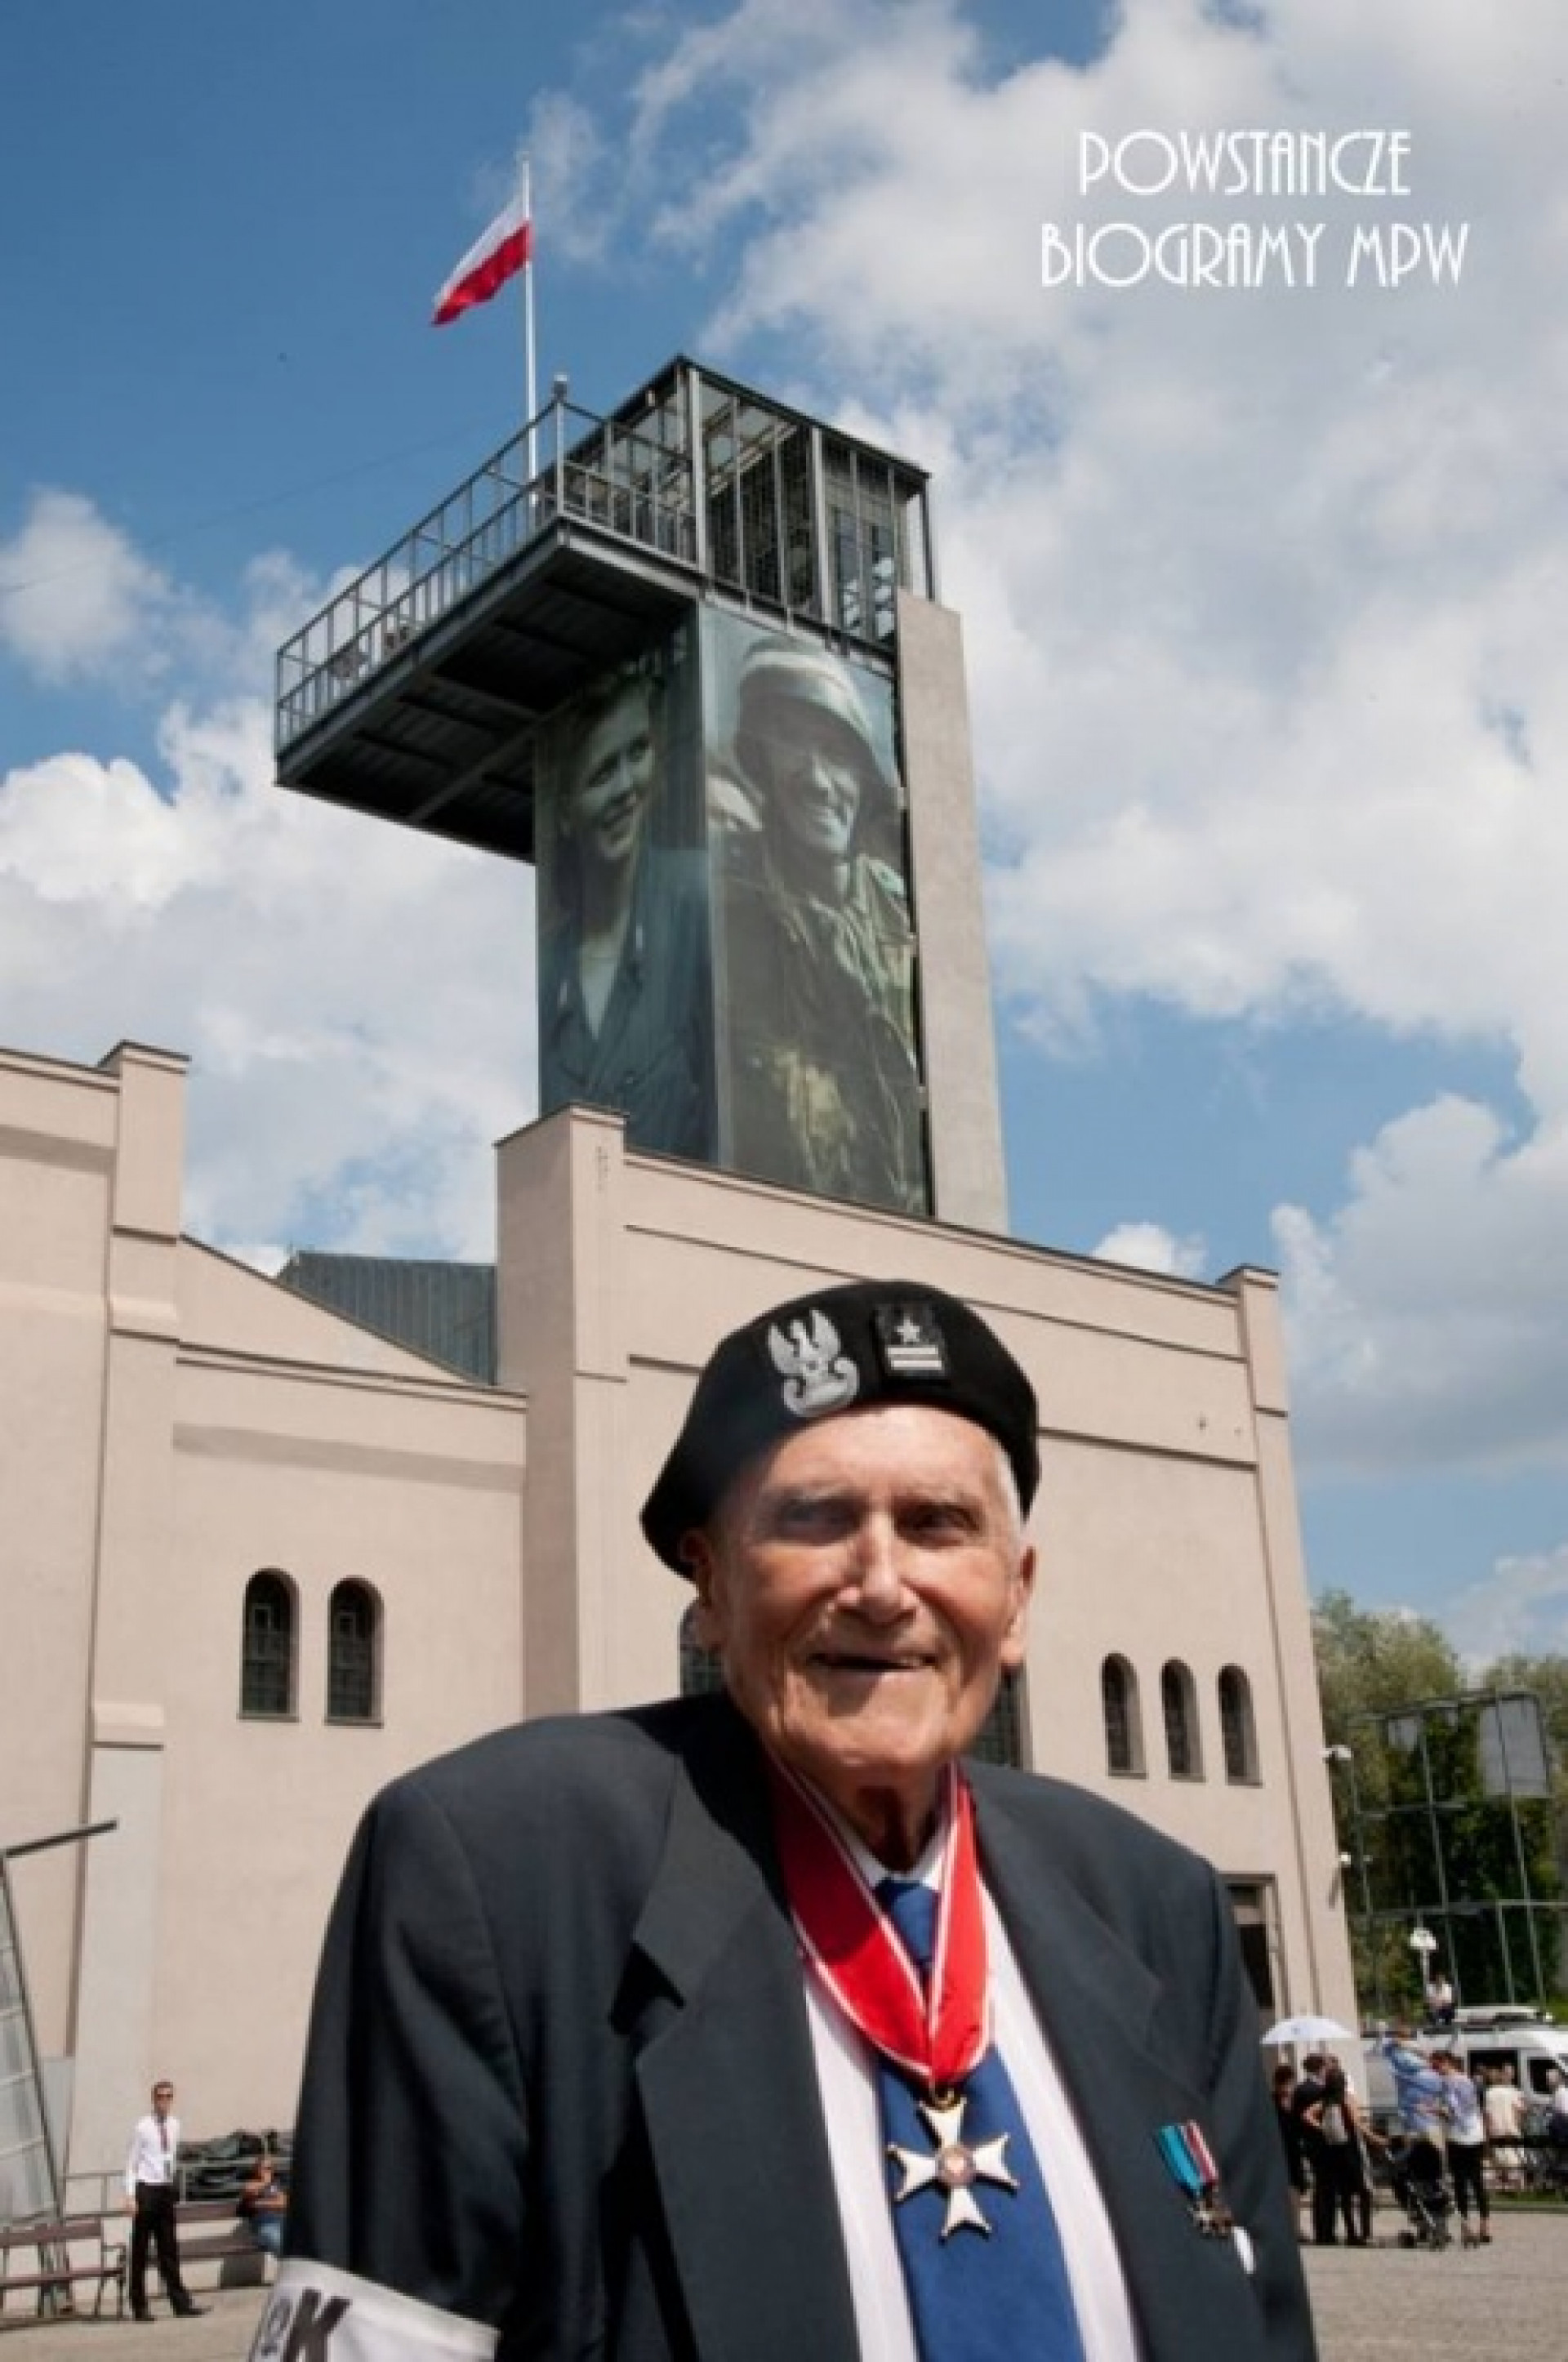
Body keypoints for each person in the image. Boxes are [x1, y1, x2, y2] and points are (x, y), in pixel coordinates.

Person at [263, 1279, 1315, 2362]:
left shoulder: (1154, 1903)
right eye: (813, 1520)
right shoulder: (496, 1870)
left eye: (937, 1525)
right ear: (710, 1592)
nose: (880, 1583)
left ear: (1018, 1598)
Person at [722, 640, 928, 1216]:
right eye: (791, 743)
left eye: (836, 753)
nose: (817, 780)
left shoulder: (899, 913)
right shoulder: (727, 898)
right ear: (761, 762)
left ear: (864, 777)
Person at [538, 661, 714, 1161]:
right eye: (598, 774)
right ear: (565, 813)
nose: (624, 789)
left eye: (637, 753)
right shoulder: (549, 972)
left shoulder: (698, 902)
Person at [123, 2078, 206, 2322]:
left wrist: (171, 2183)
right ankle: (139, 2305)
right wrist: (130, 2195)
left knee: (169, 2248)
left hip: (164, 2190)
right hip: (146, 2189)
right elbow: (131, 2163)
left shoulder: (174, 2125)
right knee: (140, 2250)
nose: (164, 2101)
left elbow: (169, 2156)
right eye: (160, 2097)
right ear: (153, 2099)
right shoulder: (143, 2126)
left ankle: (180, 2302)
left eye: (169, 2097)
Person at [1433, 2052, 1490, 2241]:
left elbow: (1454, 2112)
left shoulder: (1449, 2083)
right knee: (1477, 2181)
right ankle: (1485, 2225)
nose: (1436, 2071)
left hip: (1458, 2136)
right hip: (1475, 2134)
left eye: (1437, 2066)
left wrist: (1435, 2110)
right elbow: (1473, 2108)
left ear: (1447, 2063)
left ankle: (1466, 2226)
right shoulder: (1469, 2081)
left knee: (1460, 2183)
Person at [243, 2150, 290, 2260]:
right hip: (264, 2224)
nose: (267, 2171)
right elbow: (251, 2196)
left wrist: (261, 2203)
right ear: (257, 2169)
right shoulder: (251, 2183)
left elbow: (284, 2203)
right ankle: (292, 2270)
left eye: (270, 2168)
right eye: (264, 2168)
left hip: (282, 2220)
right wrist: (265, 2183)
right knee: (277, 2241)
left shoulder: (277, 2185)